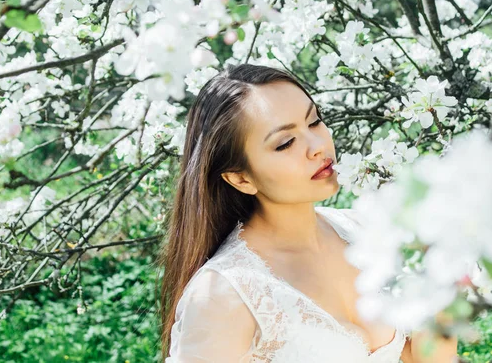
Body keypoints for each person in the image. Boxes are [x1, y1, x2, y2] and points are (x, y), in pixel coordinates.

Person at [158, 63, 458, 362]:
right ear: (241, 178)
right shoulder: (223, 294)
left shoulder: (365, 232)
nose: (318, 146)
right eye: (286, 143)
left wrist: (441, 275)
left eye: (314, 122)